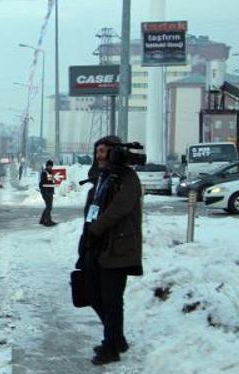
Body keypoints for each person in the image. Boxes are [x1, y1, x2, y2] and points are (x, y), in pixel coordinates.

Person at [75, 136, 144, 366]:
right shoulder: (102, 178)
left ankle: (111, 347)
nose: (98, 156)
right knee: (92, 294)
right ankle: (116, 337)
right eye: (97, 151)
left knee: (112, 300)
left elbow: (119, 209)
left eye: (103, 151)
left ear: (114, 152)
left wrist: (96, 228)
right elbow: (91, 211)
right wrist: (84, 243)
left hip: (118, 248)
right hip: (96, 246)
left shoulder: (128, 179)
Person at [39, 160, 56, 226]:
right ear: (47, 165)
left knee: (49, 206)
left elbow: (50, 182)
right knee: (49, 207)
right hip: (46, 192)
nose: (50, 167)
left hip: (50, 192)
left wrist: (52, 190)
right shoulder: (45, 172)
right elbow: (42, 183)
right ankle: (47, 221)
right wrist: (44, 191)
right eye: (49, 165)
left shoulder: (50, 172)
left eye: (51, 166)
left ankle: (43, 220)